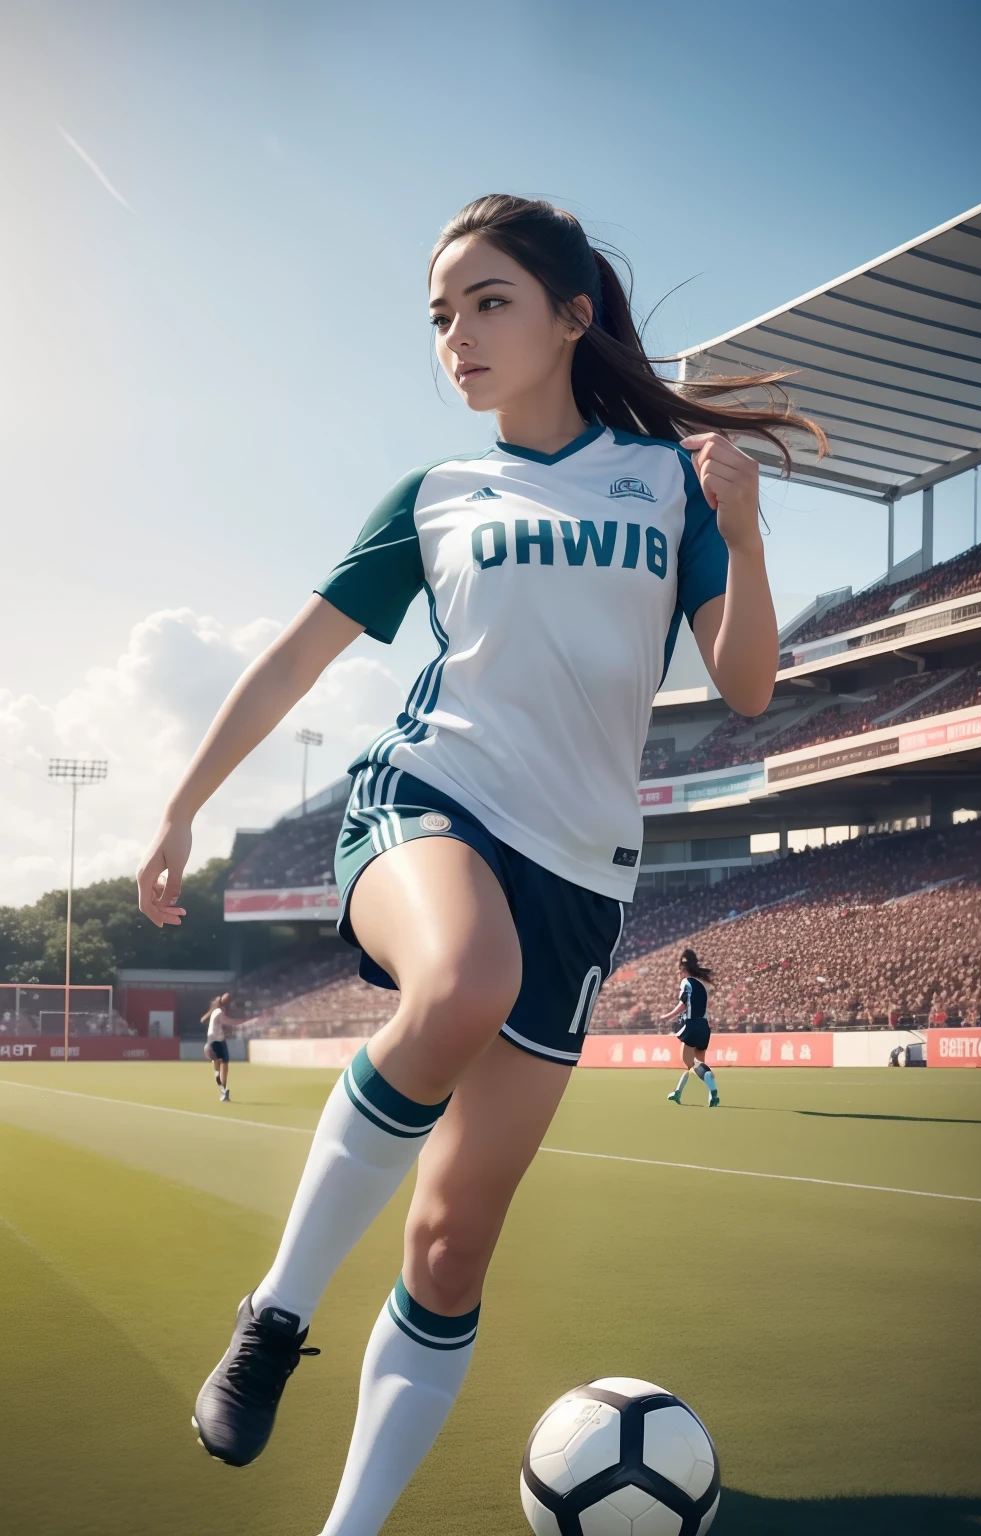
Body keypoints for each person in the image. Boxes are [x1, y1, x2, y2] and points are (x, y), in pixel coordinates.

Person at [136, 193, 822, 1535]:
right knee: (456, 984)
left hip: (581, 876)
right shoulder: (435, 497)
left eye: (488, 301)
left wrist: (740, 539)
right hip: (427, 801)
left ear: (574, 316)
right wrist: (179, 809)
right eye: (441, 314)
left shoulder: (668, 482)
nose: (456, 333)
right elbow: (294, 658)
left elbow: (745, 688)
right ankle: (274, 1316)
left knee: (448, 1252)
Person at [661, 948, 719, 1107]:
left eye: (679, 970)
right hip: (704, 1027)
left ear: (684, 969)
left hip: (692, 1025)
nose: (678, 973)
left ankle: (714, 1089)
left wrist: (668, 1016)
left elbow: (683, 1003)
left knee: (690, 1062)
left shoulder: (686, 982)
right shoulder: (703, 984)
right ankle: (678, 1092)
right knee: (698, 1065)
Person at [201, 992, 233, 1101]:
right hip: (218, 1041)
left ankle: (223, 1090)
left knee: (217, 1069)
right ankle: (224, 1090)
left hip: (215, 1041)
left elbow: (204, 1019)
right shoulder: (220, 1011)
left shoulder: (217, 1011)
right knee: (222, 1066)